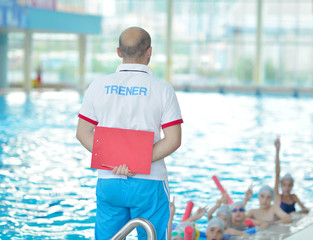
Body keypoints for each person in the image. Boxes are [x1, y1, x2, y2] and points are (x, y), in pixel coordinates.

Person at [76, 27, 183, 240]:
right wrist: (136, 162)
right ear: (149, 51)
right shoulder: (162, 89)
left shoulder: (97, 86)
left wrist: (113, 161)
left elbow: (83, 133)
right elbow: (173, 139)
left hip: (109, 180)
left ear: (119, 52)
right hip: (149, 182)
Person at [274, 138, 309, 214]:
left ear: (292, 186)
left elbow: (305, 210)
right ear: (280, 185)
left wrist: (295, 213)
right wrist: (277, 151)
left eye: (289, 185)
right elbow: (277, 173)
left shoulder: (294, 197)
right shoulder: (278, 197)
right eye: (284, 185)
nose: (287, 188)